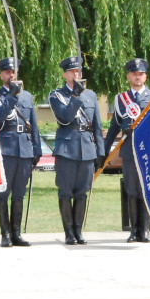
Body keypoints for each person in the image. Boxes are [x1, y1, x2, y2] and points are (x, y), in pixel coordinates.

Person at [49, 56, 104, 245]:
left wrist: (100, 151)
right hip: (67, 148)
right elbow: (65, 118)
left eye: (78, 71)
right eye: (72, 71)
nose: (76, 74)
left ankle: (79, 231)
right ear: (65, 74)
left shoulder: (91, 95)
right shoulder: (57, 95)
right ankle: (69, 233)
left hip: (87, 148)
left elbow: (96, 124)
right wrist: (75, 97)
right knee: (66, 192)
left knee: (82, 192)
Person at [103, 58, 150, 242]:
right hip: (129, 151)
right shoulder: (120, 99)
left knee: (146, 190)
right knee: (132, 190)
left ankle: (146, 230)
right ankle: (134, 230)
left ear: (145, 76)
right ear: (128, 76)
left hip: (148, 152)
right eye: (134, 74)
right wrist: (104, 150)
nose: (137, 77)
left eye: (140, 74)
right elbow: (114, 127)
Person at [0, 57, 41, 247]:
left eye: (13, 72)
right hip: (6, 150)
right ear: (1, 75)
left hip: (25, 149)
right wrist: (11, 96)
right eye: (7, 72)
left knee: (19, 193)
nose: (11, 75)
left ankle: (17, 233)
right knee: (3, 193)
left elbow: (33, 125)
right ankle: (5, 234)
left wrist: (36, 149)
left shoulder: (27, 96)